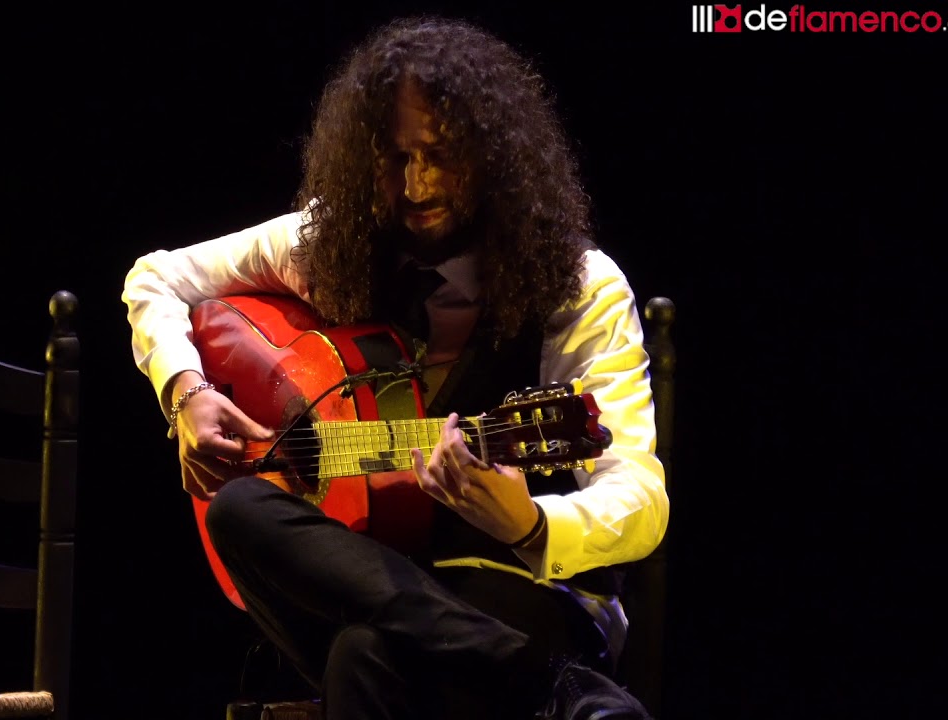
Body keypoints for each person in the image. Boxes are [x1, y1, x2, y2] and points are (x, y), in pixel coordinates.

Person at [122, 16, 667, 720]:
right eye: (393, 158)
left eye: (440, 155)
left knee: (364, 654)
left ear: (495, 153)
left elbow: (640, 498)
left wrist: (531, 524)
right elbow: (156, 279)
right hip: (379, 574)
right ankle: (550, 689)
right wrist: (185, 390)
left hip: (526, 591)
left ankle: (544, 667)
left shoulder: (577, 284)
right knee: (239, 508)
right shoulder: (330, 245)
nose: (416, 185)